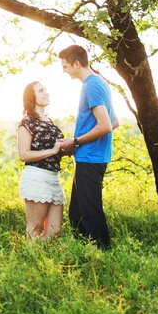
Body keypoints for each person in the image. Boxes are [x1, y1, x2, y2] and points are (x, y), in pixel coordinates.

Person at [59, 44, 114, 248]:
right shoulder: (100, 83)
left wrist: (76, 142)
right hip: (88, 156)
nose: (64, 70)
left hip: (91, 158)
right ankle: (85, 255)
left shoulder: (91, 85)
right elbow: (114, 120)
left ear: (76, 63)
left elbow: (106, 126)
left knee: (90, 213)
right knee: (77, 214)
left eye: (65, 66)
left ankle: (103, 253)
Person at [17, 80, 69, 240]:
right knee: (35, 228)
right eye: (40, 91)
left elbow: (55, 149)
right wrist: (52, 150)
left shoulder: (49, 121)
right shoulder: (27, 122)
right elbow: (23, 154)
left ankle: (41, 259)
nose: (46, 93)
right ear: (31, 97)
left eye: (45, 89)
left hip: (53, 178)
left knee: (55, 231)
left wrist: (66, 149)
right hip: (36, 177)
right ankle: (29, 261)